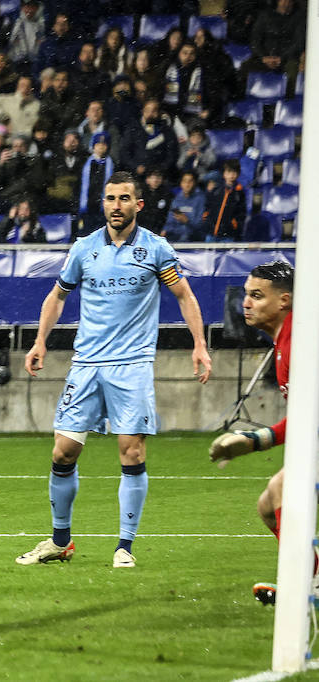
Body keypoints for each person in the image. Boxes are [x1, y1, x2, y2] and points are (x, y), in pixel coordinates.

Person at [19, 171, 212, 569]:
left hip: (132, 366)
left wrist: (199, 344)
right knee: (63, 451)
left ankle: (124, 546)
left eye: (124, 198)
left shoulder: (156, 250)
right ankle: (60, 541)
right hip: (86, 364)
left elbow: (184, 295)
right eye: (110, 198)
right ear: (103, 203)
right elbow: (56, 297)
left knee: (132, 452)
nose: (116, 205)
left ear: (138, 205)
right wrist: (40, 341)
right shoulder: (84, 249)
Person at [205, 260, 293, 604]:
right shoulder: (285, 342)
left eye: (257, 296)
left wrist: (254, 440)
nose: (246, 303)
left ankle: (304, 584)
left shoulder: (299, 343)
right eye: (246, 294)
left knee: (284, 490)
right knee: (269, 504)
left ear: (283, 301)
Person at [165, 170, 205, 242]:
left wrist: (187, 221)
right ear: (181, 183)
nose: (187, 184)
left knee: (185, 236)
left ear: (195, 183)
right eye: (184, 181)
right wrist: (165, 230)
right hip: (176, 235)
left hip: (193, 236)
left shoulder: (201, 199)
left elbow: (200, 225)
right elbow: (170, 220)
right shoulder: (177, 199)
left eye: (190, 181)